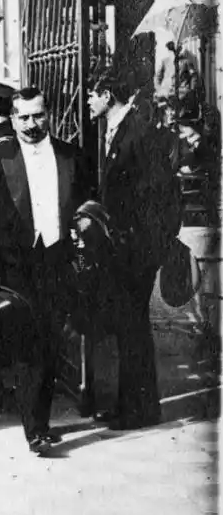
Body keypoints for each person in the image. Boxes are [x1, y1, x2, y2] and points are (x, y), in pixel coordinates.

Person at [0, 87, 85, 455]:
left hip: (57, 261)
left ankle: (41, 422)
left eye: (38, 115)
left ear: (49, 114)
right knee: (26, 346)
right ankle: (35, 429)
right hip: (15, 265)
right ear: (13, 119)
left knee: (50, 343)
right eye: (24, 117)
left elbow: (85, 205)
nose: (31, 124)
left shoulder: (71, 155)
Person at [87, 68, 181, 430]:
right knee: (129, 326)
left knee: (132, 327)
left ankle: (139, 410)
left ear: (107, 95)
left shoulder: (138, 132)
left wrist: (149, 247)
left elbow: (163, 194)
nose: (88, 101)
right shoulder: (118, 130)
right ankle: (134, 405)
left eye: (92, 94)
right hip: (123, 249)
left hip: (136, 251)